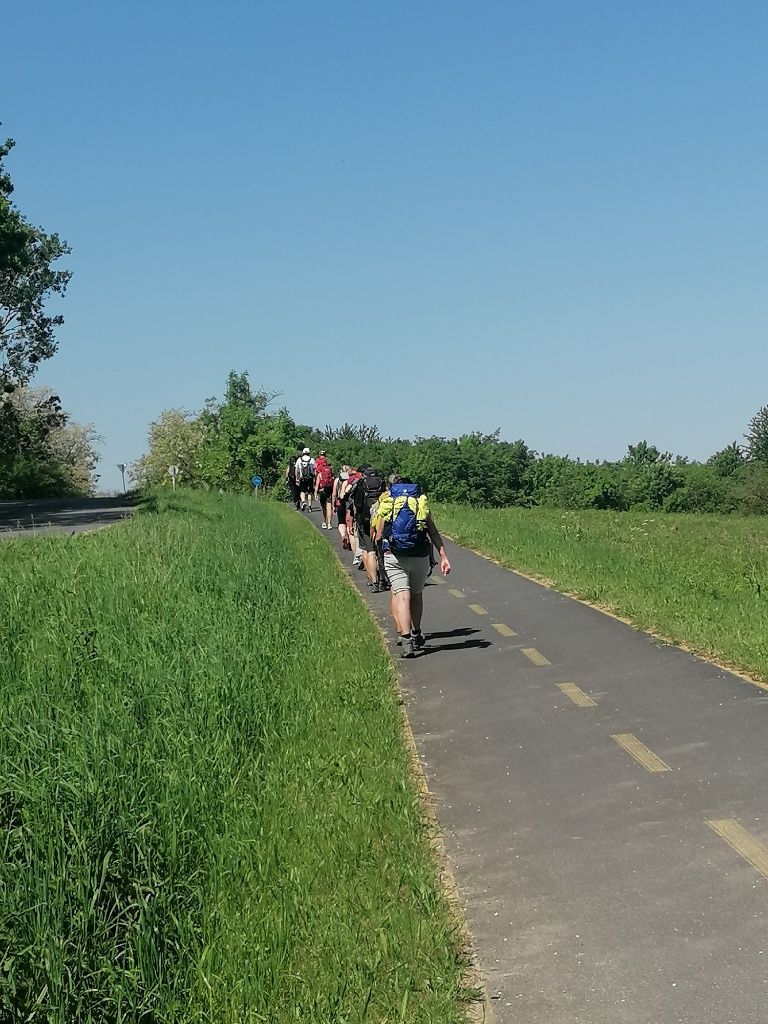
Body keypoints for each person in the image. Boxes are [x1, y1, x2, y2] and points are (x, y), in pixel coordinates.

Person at [375, 478, 451, 657]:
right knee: (416, 596)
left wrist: (380, 554)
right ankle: (417, 633)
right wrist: (443, 556)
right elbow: (432, 532)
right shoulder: (421, 505)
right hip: (419, 556)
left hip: (394, 556)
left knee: (402, 597)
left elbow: (378, 535)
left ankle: (406, 640)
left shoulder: (389, 504)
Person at [348, 466, 386, 589]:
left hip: (364, 521)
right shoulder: (382, 483)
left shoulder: (360, 484)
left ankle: (373, 580)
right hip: (379, 520)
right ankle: (383, 579)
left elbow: (355, 502)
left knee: (368, 550)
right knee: (380, 549)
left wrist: (354, 518)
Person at [314, 452, 335, 529]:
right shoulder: (331, 473)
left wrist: (315, 493)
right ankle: (329, 523)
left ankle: (324, 522)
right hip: (329, 490)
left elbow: (317, 485)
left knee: (324, 507)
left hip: (322, 491)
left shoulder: (320, 474)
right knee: (329, 506)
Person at [333, 466, 351, 548]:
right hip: (348, 504)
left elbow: (334, 494)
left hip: (339, 503)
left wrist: (333, 506)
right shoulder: (351, 479)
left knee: (341, 522)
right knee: (349, 523)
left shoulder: (337, 480)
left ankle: (343, 536)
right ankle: (349, 539)